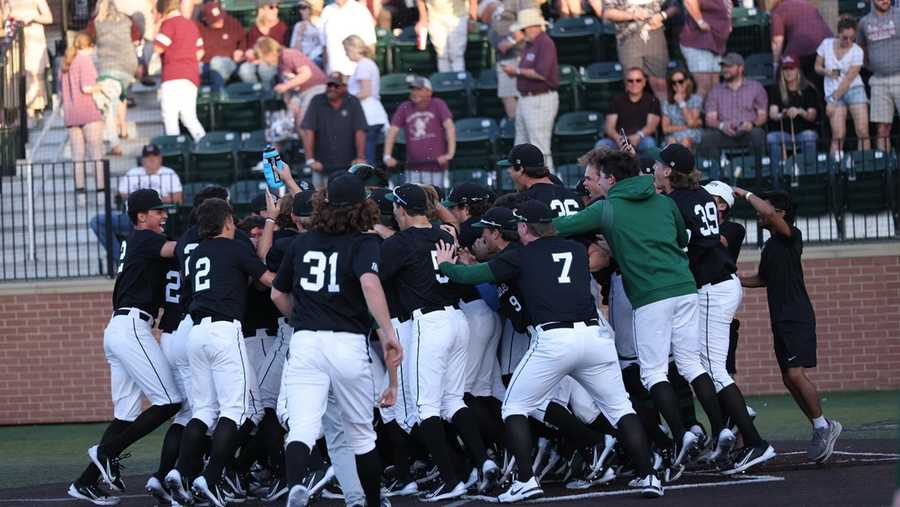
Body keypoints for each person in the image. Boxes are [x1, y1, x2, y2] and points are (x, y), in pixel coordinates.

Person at [434, 199, 662, 501]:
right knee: (620, 408)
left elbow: (471, 276)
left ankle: (525, 480)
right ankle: (650, 475)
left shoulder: (521, 256)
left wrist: (446, 263)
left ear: (526, 227)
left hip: (555, 339)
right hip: (594, 336)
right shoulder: (575, 250)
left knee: (514, 407)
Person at [551, 152, 726, 474]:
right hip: (685, 287)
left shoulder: (607, 207)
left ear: (611, 179)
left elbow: (557, 226)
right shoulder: (664, 200)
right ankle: (721, 430)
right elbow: (682, 237)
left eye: (598, 176)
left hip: (649, 294)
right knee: (690, 363)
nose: (596, 181)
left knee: (653, 373)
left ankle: (680, 435)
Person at [270, 175, 402, 507]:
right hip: (346, 342)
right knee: (360, 434)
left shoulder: (301, 242)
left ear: (323, 204)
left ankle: (297, 484)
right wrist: (388, 333)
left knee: (301, 428)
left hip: (305, 341)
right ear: (363, 205)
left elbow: (277, 294)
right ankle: (371, 502)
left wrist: (298, 319)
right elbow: (370, 284)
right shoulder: (364, 241)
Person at [656, 144, 776, 473]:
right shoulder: (695, 195)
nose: (654, 168)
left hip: (711, 287)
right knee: (702, 365)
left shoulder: (678, 201)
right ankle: (730, 428)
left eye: (658, 165)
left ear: (668, 170)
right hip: (716, 284)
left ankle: (753, 440)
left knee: (713, 368)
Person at [379, 183, 499, 501]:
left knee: (426, 407)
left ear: (402, 210)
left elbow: (377, 281)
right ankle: (483, 460)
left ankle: (451, 479)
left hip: (429, 323)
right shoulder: (444, 234)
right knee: (453, 401)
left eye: (396, 207)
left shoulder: (399, 243)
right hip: (457, 320)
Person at [67, 189, 183, 506]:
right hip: (132, 327)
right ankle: (106, 452)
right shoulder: (144, 237)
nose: (164, 216)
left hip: (121, 327)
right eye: (158, 211)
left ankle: (85, 481)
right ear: (141, 216)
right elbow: (181, 249)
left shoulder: (139, 241)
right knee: (170, 401)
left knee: (126, 416)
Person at [167, 197, 276, 506]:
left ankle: (180, 472)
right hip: (224, 331)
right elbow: (266, 279)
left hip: (196, 332)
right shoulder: (234, 247)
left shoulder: (196, 253)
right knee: (234, 410)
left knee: (202, 410)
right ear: (228, 222)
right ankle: (210, 478)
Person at [736, 189, 843, 464]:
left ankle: (823, 426)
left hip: (796, 316)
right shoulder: (771, 245)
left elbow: (768, 212)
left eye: (765, 208)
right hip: (781, 318)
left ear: (781, 214)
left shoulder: (791, 236)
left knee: (795, 374)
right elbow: (762, 279)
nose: (759, 213)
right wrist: (732, 278)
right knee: (787, 377)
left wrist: (744, 193)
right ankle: (820, 425)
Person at [91, 143, 183, 257]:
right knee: (97, 221)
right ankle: (121, 259)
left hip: (158, 219)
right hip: (131, 218)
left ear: (160, 158)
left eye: (154, 157)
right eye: (148, 158)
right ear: (143, 160)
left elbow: (178, 199)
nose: (151, 160)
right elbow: (121, 194)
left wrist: (143, 201)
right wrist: (158, 199)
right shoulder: (133, 173)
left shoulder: (169, 173)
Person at [500, 9, 559, 171]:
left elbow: (541, 74)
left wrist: (516, 71)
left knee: (539, 146)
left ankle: (548, 185)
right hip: (526, 99)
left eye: (523, 29)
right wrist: (515, 71)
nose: (521, 33)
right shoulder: (529, 45)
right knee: (521, 145)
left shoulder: (545, 43)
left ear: (532, 27)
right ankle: (525, 188)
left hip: (540, 99)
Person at [700, 53, 768, 178]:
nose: (725, 69)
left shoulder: (756, 87)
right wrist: (721, 125)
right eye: (723, 66)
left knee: (758, 134)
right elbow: (710, 118)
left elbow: (763, 115)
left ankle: (757, 177)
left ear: (741, 68)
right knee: (707, 138)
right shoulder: (715, 90)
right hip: (724, 133)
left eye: (729, 66)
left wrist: (751, 124)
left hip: (747, 131)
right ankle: (715, 179)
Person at [86, 0, 140, 155]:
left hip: (108, 67)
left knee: (108, 105)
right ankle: (123, 127)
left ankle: (114, 141)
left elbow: (87, 42)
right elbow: (136, 39)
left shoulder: (96, 23)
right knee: (120, 95)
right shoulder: (127, 19)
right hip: (128, 66)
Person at [383, 76, 456, 186]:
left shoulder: (438, 104)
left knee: (434, 200)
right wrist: (387, 155)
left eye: (418, 89)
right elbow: (392, 131)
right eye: (413, 89)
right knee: (412, 200)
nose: (414, 92)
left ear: (429, 92)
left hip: (435, 167)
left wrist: (450, 154)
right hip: (412, 168)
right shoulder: (405, 107)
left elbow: (450, 127)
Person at [61, 32, 106, 205]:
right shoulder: (84, 60)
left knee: (77, 157)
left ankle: (80, 195)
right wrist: (102, 86)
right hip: (88, 111)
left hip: (71, 113)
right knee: (96, 154)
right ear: (89, 46)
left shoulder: (67, 62)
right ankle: (101, 192)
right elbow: (87, 87)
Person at [300, 72, 368, 187]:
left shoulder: (353, 102)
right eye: (329, 85)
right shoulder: (317, 101)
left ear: (344, 87)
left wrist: (360, 157)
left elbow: (360, 130)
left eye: (336, 86)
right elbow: (308, 130)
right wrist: (310, 159)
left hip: (348, 166)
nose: (332, 88)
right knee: (320, 200)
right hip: (321, 165)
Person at [601, 0, 679, 99]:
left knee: (661, 82)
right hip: (628, 38)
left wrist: (662, 15)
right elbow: (607, 13)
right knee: (633, 83)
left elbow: (675, 6)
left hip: (656, 37)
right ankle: (634, 113)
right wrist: (632, 15)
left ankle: (664, 112)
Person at [254, 36, 327, 139]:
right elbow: (289, 90)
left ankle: (313, 153)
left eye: (264, 58)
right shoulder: (280, 66)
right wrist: (289, 101)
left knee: (303, 122)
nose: (266, 63)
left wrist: (285, 86)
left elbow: (306, 74)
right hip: (301, 93)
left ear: (270, 52)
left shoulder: (289, 54)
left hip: (316, 87)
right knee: (286, 125)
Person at [816, 16, 869, 157]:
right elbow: (816, 67)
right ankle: (835, 170)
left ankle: (865, 166)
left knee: (863, 131)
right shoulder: (826, 44)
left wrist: (832, 100)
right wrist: (825, 71)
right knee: (838, 134)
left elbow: (849, 79)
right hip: (832, 90)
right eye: (845, 37)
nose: (849, 41)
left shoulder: (857, 51)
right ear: (838, 33)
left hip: (853, 89)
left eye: (852, 38)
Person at [154, 0, 206, 142]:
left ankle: (173, 149)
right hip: (191, 76)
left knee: (170, 117)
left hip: (173, 75)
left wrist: (157, 27)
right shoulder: (191, 24)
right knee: (189, 117)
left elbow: (158, 47)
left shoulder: (169, 24)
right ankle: (204, 143)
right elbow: (200, 52)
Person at [857, 0, 900, 151]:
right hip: (878, 81)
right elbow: (861, 50)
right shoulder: (864, 22)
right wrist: (874, 66)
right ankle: (885, 169)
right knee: (882, 129)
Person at [766, 55, 819, 174]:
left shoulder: (808, 89)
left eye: (792, 69)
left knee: (809, 136)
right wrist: (783, 114)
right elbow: (773, 113)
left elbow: (812, 116)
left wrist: (800, 111)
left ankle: (810, 173)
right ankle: (777, 174)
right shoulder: (777, 90)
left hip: (804, 131)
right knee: (771, 138)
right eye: (785, 69)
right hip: (784, 133)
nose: (788, 72)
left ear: (798, 70)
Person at [499, 143, 583, 217]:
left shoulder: (526, 201)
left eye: (510, 167)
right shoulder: (573, 195)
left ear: (521, 169)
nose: (508, 171)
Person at [1, 0, 52, 118]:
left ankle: (32, 112)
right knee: (13, 73)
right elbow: (5, 20)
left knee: (32, 73)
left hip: (33, 36)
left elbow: (49, 18)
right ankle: (19, 115)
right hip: (15, 37)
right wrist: (9, 19)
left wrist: (33, 17)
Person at [344, 35, 389, 165]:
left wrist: (346, 100)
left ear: (353, 49)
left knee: (367, 155)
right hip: (370, 114)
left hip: (368, 115)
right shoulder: (366, 64)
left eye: (347, 50)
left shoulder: (364, 65)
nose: (346, 54)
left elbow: (365, 91)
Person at [596, 67, 661, 154]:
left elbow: (651, 127)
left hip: (641, 139)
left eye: (638, 80)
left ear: (644, 82)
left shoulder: (652, 100)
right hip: (618, 140)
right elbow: (609, 127)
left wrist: (638, 136)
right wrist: (619, 139)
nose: (634, 83)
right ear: (625, 82)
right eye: (630, 80)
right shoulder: (617, 100)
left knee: (649, 144)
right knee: (601, 145)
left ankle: (648, 168)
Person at [769, 0, 832, 88]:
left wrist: (776, 65)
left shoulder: (778, 10)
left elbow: (777, 41)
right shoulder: (807, 4)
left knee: (785, 73)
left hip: (801, 47)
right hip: (828, 45)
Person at [482, 0, 528, 119]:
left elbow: (528, 24)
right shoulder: (496, 4)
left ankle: (522, 124)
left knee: (521, 94)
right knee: (507, 95)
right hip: (502, 58)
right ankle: (515, 126)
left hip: (518, 54)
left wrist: (511, 41)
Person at [678, 0, 731, 97]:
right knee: (704, 86)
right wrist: (700, 21)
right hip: (697, 41)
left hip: (716, 42)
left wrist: (728, 23)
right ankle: (696, 112)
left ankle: (713, 112)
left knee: (715, 86)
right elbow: (689, 1)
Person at [237, 0, 289, 86]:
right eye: (271, 7)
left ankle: (269, 93)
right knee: (244, 69)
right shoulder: (254, 29)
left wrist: (264, 59)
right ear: (262, 10)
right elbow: (250, 50)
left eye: (277, 7)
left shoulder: (282, 28)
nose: (276, 10)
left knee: (264, 69)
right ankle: (255, 91)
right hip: (256, 61)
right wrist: (251, 55)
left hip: (274, 63)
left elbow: (284, 51)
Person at [320, 0, 377, 77]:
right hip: (333, 75)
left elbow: (370, 45)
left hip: (356, 75)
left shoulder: (361, 10)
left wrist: (367, 74)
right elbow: (324, 46)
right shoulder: (327, 11)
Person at [415, 0, 476, 72]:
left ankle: (458, 81)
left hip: (459, 18)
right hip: (435, 19)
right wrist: (423, 18)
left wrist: (472, 19)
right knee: (442, 54)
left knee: (457, 54)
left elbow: (473, 1)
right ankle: (445, 81)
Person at [197, 1, 245, 91]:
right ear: (205, 19)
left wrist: (240, 50)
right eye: (216, 20)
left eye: (220, 18)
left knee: (217, 62)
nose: (220, 21)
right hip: (205, 64)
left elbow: (243, 39)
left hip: (228, 62)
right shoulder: (199, 27)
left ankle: (219, 94)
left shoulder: (230, 23)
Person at [661, 67, 703, 150]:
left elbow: (691, 122)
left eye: (680, 81)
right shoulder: (667, 102)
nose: (677, 85)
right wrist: (686, 126)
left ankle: (684, 163)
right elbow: (665, 129)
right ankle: (673, 163)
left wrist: (681, 103)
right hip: (673, 136)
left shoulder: (696, 99)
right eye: (674, 82)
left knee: (685, 141)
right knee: (671, 142)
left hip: (691, 134)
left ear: (687, 81)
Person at [289, 0, 324, 68]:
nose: (300, 11)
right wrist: (299, 35)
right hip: (302, 63)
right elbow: (294, 52)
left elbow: (325, 48)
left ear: (312, 8)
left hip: (319, 62)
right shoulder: (298, 26)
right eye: (299, 8)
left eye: (303, 7)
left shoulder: (322, 24)